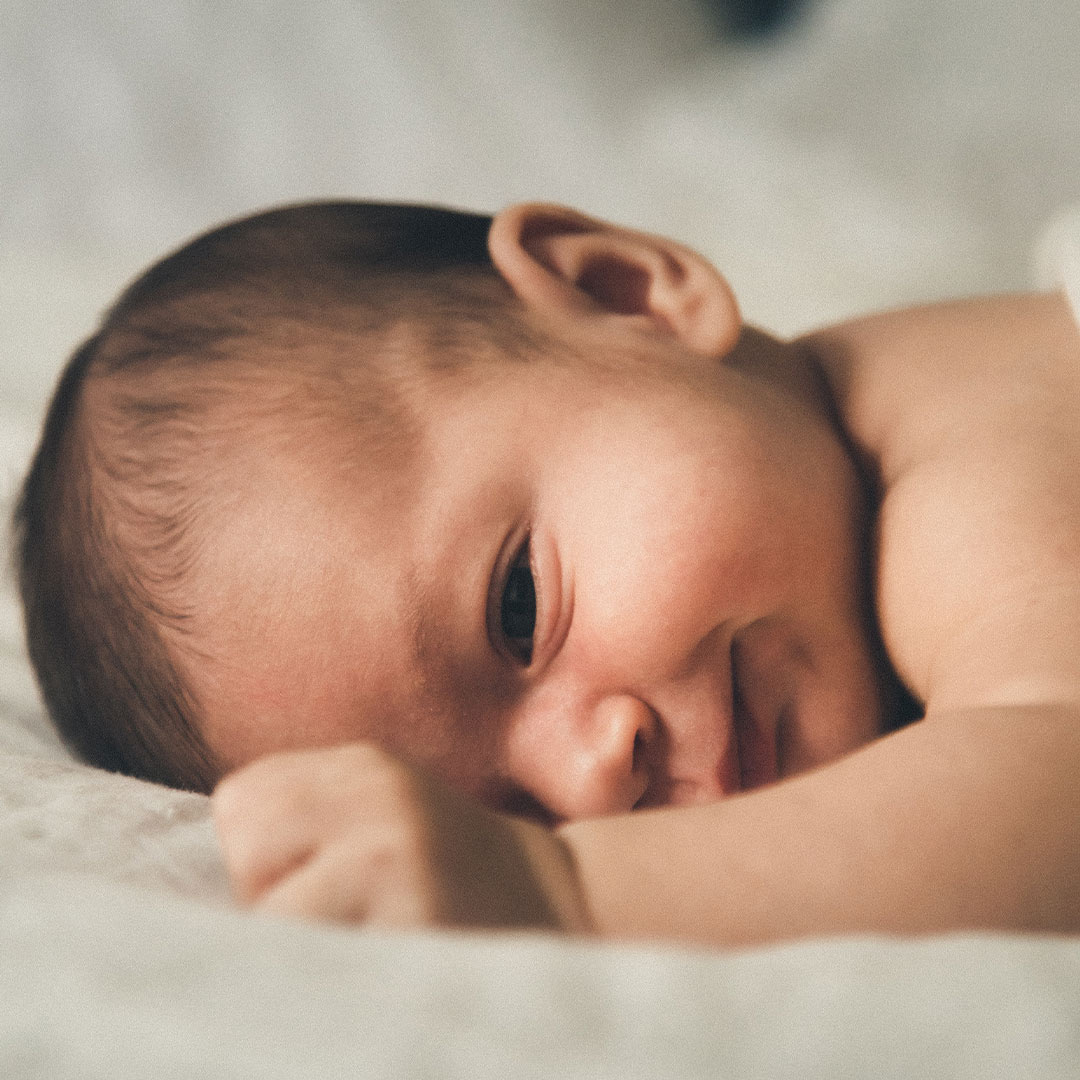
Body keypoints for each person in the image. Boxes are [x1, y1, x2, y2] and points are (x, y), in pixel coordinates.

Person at [14, 200, 1080, 945]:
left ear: (626, 293)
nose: (591, 777)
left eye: (521, 610)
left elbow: (1055, 779)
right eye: (513, 816)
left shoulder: (970, 466)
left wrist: (559, 888)